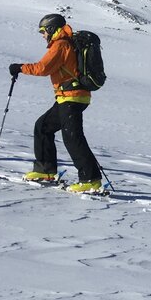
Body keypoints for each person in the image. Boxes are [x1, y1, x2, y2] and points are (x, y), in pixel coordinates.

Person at [8, 13, 102, 193]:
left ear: (52, 29)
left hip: (71, 96)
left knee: (72, 137)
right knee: (43, 127)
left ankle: (91, 180)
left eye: (43, 31)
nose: (43, 35)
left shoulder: (61, 44)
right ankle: (46, 171)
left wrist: (19, 68)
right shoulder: (65, 43)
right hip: (68, 97)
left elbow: (43, 68)